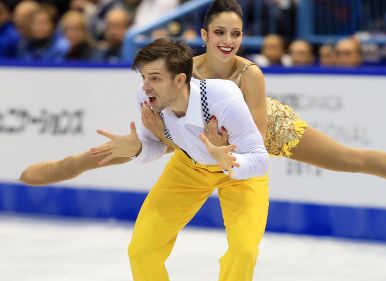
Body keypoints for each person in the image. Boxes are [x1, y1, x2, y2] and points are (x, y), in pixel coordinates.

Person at [20, 0, 386, 221]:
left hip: (264, 133)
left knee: (352, 159)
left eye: (237, 34)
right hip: (199, 144)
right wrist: (154, 140)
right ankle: (54, 169)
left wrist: (211, 149)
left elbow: (254, 143)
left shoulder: (250, 74)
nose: (229, 41)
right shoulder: (180, 69)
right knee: (107, 154)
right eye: (220, 32)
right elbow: (170, 123)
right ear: (203, 33)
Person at [92, 39, 269, 281]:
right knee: (141, 250)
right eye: (143, 77)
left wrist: (230, 161)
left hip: (239, 175)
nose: (145, 87)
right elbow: (154, 147)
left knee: (244, 252)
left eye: (154, 78)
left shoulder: (222, 97)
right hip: (187, 168)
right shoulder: (147, 100)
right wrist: (137, 148)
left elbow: (260, 158)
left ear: (179, 80)